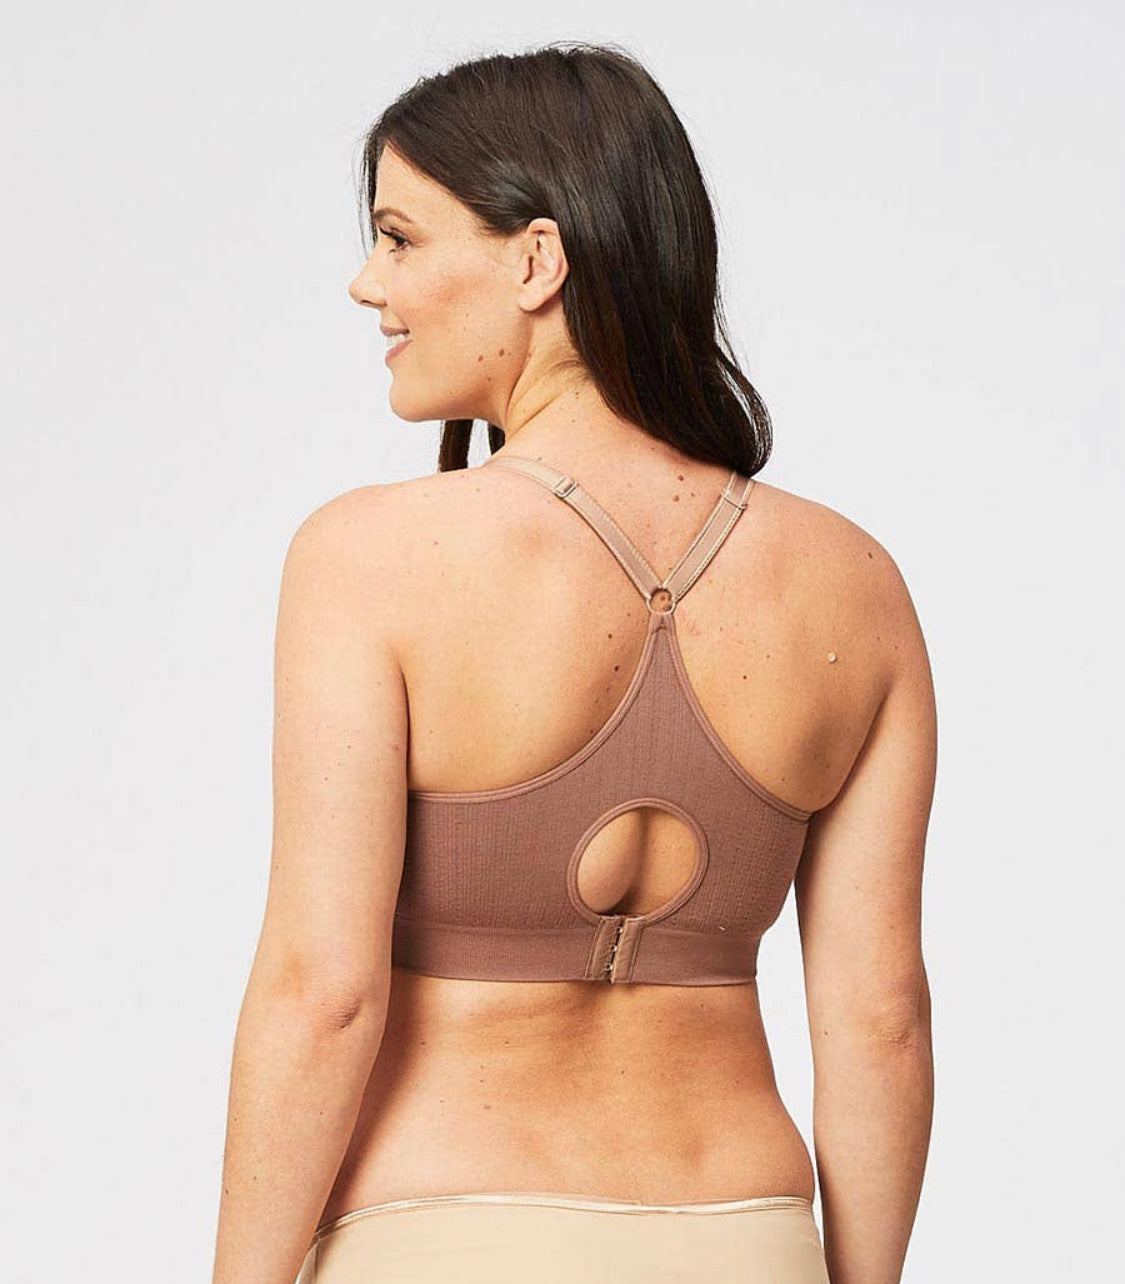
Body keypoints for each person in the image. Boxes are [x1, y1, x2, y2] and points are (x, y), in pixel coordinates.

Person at [211, 40, 936, 1284]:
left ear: (536, 261)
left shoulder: (371, 557)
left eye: (399, 238)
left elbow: (322, 993)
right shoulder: (856, 584)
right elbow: (881, 1019)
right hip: (744, 1235)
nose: (367, 284)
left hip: (447, 1233)